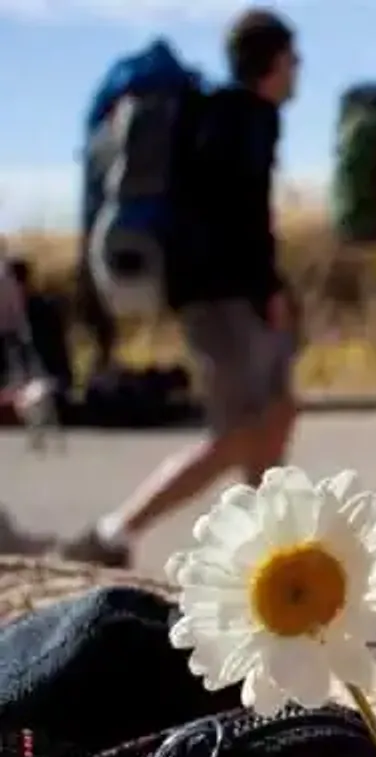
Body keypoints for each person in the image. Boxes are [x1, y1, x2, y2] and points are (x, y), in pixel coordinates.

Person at [57, 8, 300, 568]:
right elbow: (242, 213)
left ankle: (272, 544)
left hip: (217, 291)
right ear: (274, 61)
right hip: (226, 297)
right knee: (241, 429)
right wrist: (268, 288)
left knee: (278, 410)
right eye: (292, 59)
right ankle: (114, 532)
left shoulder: (215, 115)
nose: (297, 70)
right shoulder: (247, 116)